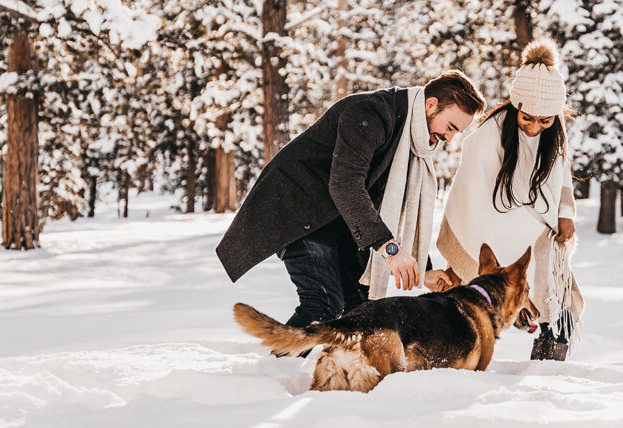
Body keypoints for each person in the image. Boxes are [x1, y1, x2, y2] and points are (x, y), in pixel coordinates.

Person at [216, 72, 486, 328]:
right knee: (324, 306)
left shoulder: (409, 139)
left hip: (338, 220)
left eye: (456, 133)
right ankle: (273, 372)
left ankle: (339, 374)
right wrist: (390, 250)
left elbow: (390, 206)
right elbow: (346, 184)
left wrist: (422, 268)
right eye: (450, 127)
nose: (449, 139)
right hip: (299, 210)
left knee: (359, 312)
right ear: (431, 105)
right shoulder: (372, 112)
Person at [432, 40, 584, 361]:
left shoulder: (553, 130)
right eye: (527, 118)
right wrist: (460, 262)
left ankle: (548, 371)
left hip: (542, 234)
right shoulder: (489, 135)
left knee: (560, 304)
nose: (534, 128)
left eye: (544, 121)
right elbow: (469, 198)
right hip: (497, 236)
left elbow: (562, 175)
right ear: (516, 105)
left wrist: (566, 214)